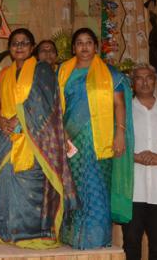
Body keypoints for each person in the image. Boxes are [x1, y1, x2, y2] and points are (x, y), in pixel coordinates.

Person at [0, 29, 76, 248]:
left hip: (34, 137)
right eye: (15, 43)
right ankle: (8, 232)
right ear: (9, 48)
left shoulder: (42, 70)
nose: (19, 47)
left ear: (32, 47)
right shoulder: (5, 73)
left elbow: (44, 103)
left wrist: (19, 120)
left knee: (33, 182)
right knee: (7, 179)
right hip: (6, 134)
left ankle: (35, 234)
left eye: (24, 43)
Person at [57, 27, 134, 249]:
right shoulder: (63, 72)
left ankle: (96, 240)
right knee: (74, 186)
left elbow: (119, 104)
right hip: (71, 139)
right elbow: (56, 104)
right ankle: (73, 237)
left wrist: (120, 133)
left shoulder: (110, 73)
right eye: (79, 43)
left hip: (100, 140)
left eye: (89, 42)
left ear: (96, 47)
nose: (84, 47)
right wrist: (61, 132)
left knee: (97, 187)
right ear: (73, 48)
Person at [122, 64, 157, 260]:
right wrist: (134, 157)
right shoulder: (123, 111)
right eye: (139, 78)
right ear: (132, 83)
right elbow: (113, 143)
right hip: (132, 190)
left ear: (155, 81)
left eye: (149, 77)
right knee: (131, 245)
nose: (144, 82)